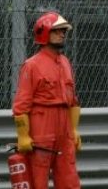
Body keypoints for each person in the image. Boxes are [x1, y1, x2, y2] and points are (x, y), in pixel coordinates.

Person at [13, 12, 81, 189]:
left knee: (69, 177)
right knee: (38, 178)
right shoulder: (32, 65)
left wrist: (73, 130)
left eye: (63, 31)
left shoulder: (65, 62)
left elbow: (73, 100)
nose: (62, 34)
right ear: (44, 33)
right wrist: (23, 136)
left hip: (64, 127)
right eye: (57, 30)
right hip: (41, 127)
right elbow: (21, 105)